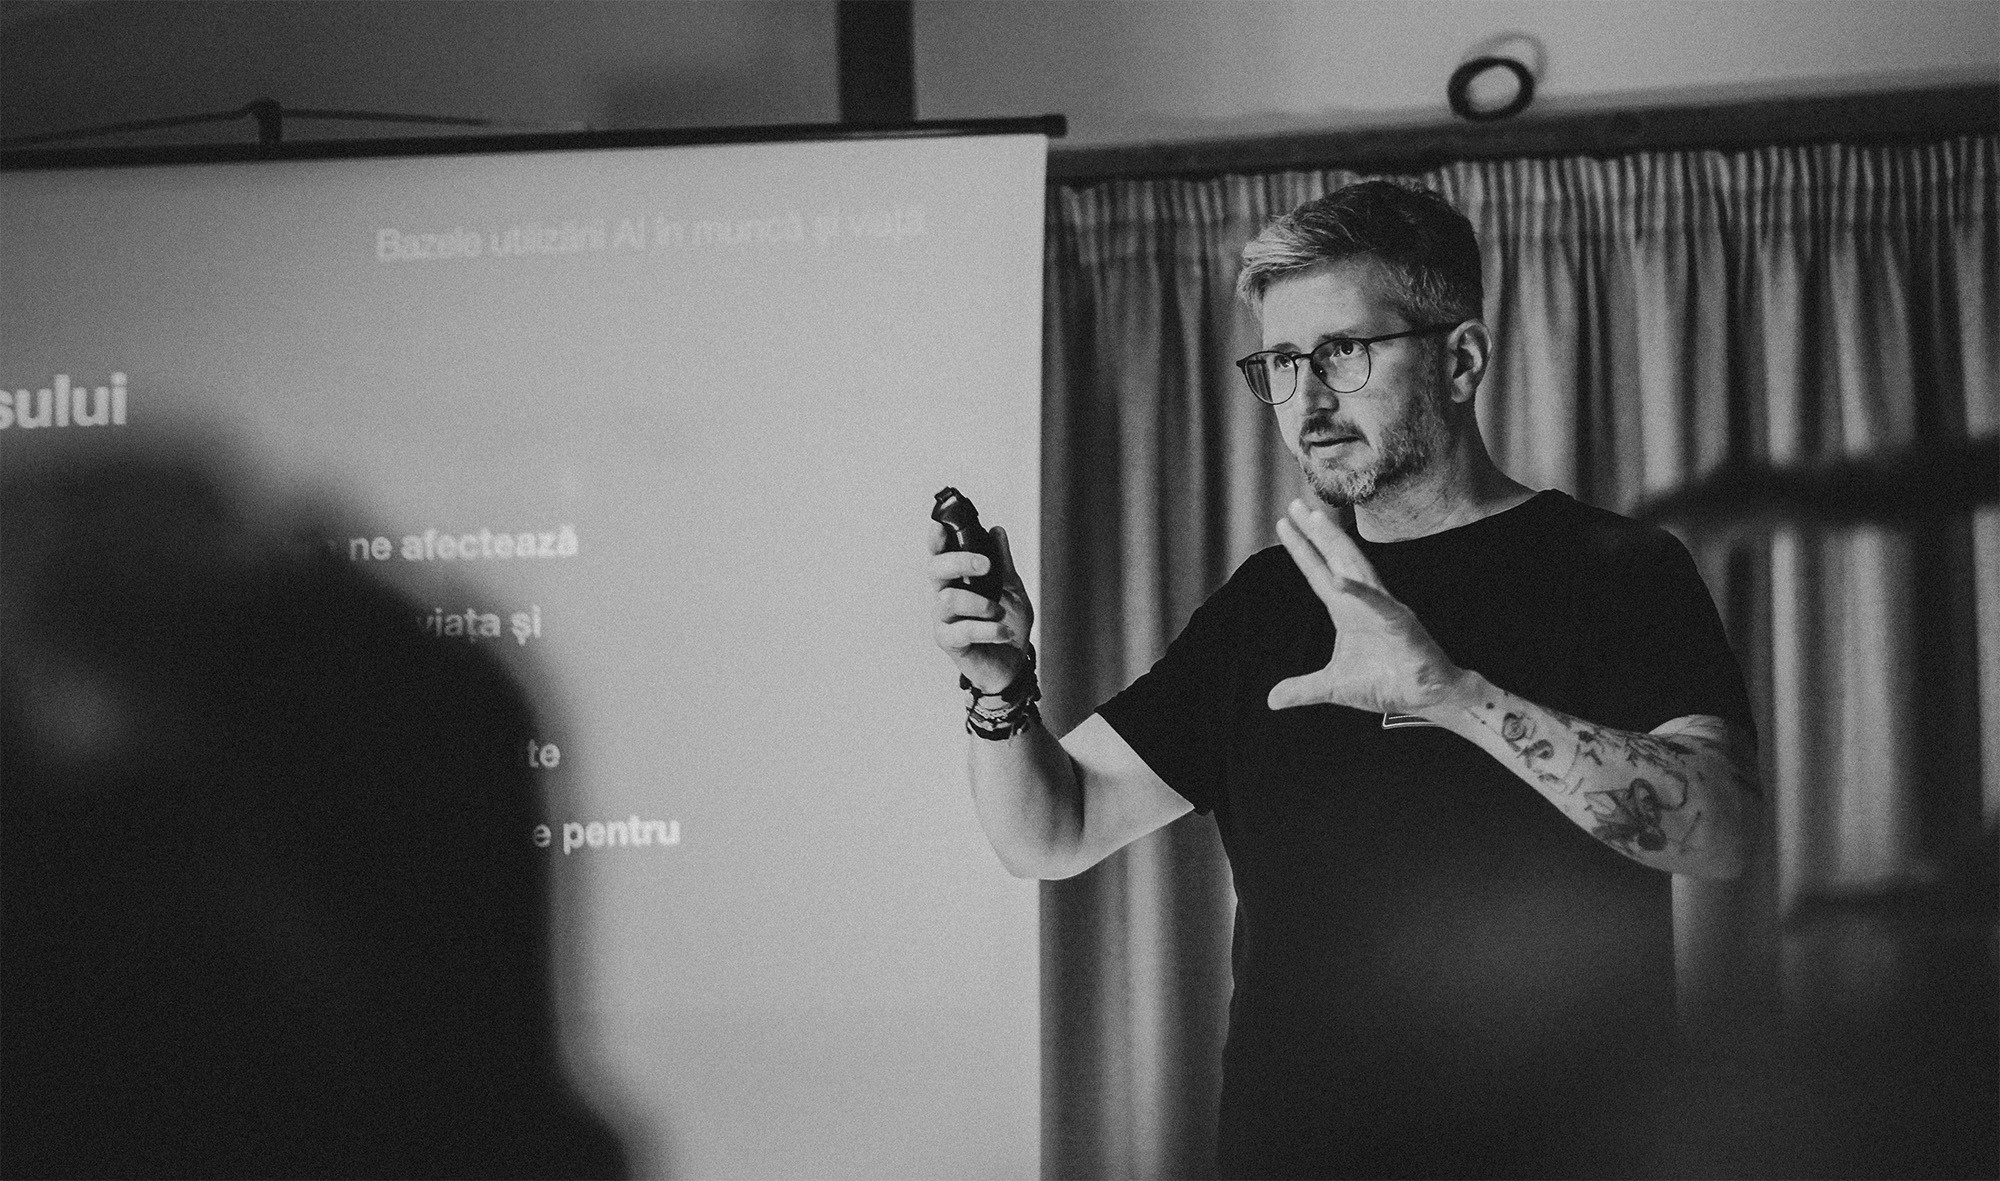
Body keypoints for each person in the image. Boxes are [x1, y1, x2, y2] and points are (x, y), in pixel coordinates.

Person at [928, 179, 1760, 1179]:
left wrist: (1454, 694)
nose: (1308, 401)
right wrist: (1000, 691)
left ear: (1461, 359)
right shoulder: (1269, 604)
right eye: (1281, 362)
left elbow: (1722, 830)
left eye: (1344, 352)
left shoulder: (1616, 569)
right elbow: (1052, 829)